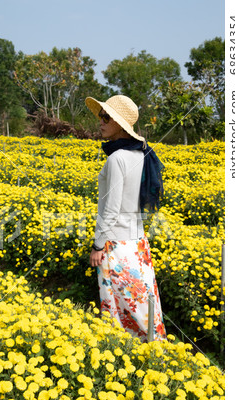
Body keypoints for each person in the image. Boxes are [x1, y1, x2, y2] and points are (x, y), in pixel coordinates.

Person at [85, 94, 166, 342]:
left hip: (117, 245)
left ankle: (137, 352)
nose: (100, 121)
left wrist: (98, 245)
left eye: (106, 117)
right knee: (143, 304)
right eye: (101, 115)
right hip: (138, 243)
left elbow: (111, 208)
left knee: (121, 308)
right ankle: (155, 350)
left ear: (120, 124)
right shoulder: (140, 154)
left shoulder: (116, 158)